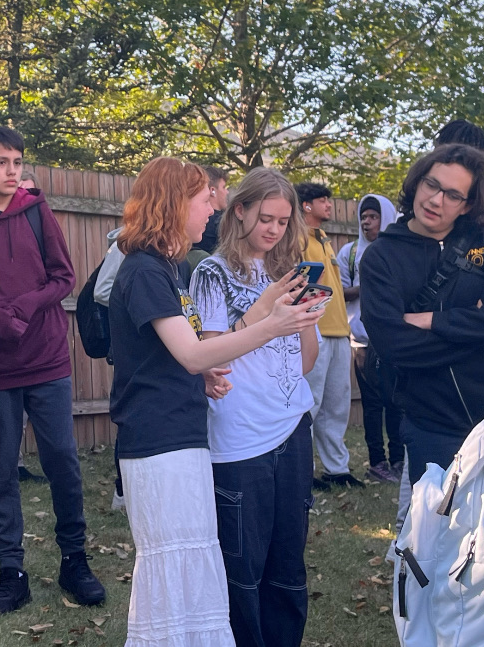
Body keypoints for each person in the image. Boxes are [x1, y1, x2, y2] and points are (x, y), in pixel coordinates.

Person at [109, 157, 324, 647]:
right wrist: (268, 322)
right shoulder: (146, 271)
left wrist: (206, 373)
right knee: (176, 567)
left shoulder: (165, 267)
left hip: (184, 435)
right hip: (161, 439)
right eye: (205, 197)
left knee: (194, 569)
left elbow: (182, 357)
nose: (213, 207)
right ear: (173, 202)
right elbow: (189, 353)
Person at [0, 125, 105, 617]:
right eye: (1, 163)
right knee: (0, 469)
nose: (11, 172)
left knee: (62, 459)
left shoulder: (38, 213)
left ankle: (74, 560)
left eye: (17, 162)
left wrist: (23, 308)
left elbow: (64, 277)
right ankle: (11, 572)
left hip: (46, 357)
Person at [189, 167, 320, 646]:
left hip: (292, 427)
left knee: (288, 561)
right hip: (240, 437)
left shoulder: (286, 272)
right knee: (243, 567)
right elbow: (213, 355)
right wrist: (266, 309)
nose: (274, 229)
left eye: (284, 222)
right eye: (265, 217)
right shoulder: (212, 272)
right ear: (237, 210)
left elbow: (304, 363)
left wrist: (304, 317)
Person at [359, 143, 484, 485]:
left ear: (467, 204)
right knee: (437, 531)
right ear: (417, 183)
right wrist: (480, 329)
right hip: (429, 425)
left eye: (453, 194)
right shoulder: (381, 258)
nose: (436, 200)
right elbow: (394, 345)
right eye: (432, 185)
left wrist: (436, 321)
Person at [295, 181, 363, 489]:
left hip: (338, 332)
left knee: (337, 405)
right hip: (315, 332)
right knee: (311, 403)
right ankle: (301, 470)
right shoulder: (296, 237)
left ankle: (337, 469)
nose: (329, 205)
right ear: (306, 204)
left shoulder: (324, 239)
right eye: (323, 200)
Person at [337, 194, 402, 484]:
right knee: (372, 404)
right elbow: (339, 293)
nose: (366, 222)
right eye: (363, 217)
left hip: (396, 340)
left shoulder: (399, 251)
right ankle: (377, 462)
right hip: (362, 341)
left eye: (373, 217)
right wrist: (369, 285)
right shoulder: (349, 254)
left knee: (397, 401)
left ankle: (399, 459)